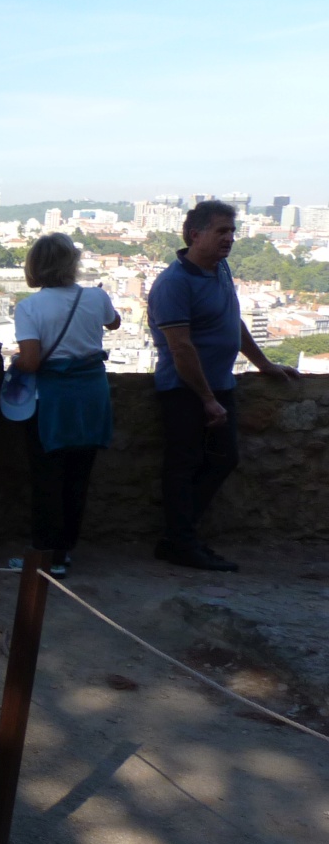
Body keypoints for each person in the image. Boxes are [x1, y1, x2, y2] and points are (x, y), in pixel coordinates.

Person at [146, 199, 299, 572]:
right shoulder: (174, 284)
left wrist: (263, 364)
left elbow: (232, 322)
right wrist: (207, 399)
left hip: (218, 384)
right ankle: (181, 542)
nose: (229, 238)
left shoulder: (220, 269)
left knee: (222, 459)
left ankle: (178, 537)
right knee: (184, 465)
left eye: (232, 231)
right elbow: (181, 348)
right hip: (185, 390)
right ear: (195, 234)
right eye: (221, 231)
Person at [6, 233, 121, 577]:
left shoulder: (30, 307)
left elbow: (30, 362)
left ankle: (45, 555)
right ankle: (64, 551)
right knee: (77, 478)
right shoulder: (96, 296)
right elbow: (114, 322)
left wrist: (12, 361)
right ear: (72, 263)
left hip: (53, 401)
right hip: (92, 397)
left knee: (47, 479)